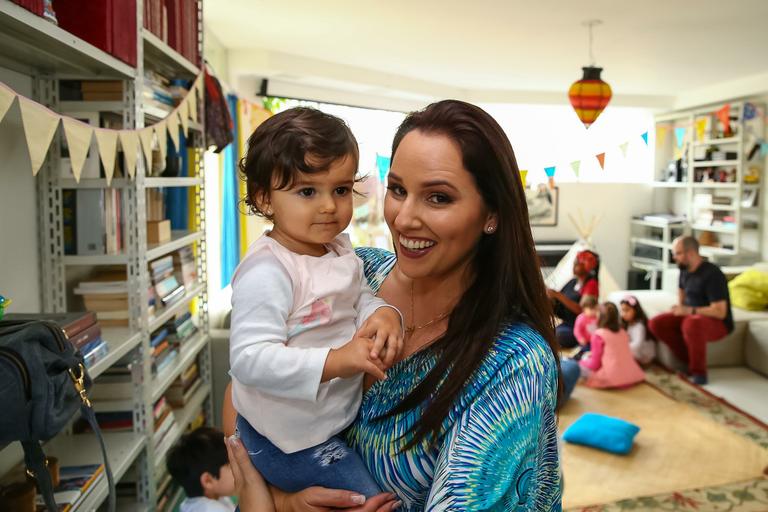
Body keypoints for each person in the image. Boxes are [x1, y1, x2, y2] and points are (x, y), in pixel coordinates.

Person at [225, 99, 563, 511]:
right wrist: (282, 502)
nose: (403, 219)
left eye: (438, 198)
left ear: (491, 214)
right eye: (398, 190)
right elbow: (241, 391)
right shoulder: (353, 268)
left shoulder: (510, 362)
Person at [230, 108, 404, 498]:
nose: (329, 205)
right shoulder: (268, 271)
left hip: (322, 424)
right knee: (368, 500)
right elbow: (249, 359)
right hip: (285, 438)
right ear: (265, 198)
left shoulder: (337, 249)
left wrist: (383, 312)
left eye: (340, 190)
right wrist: (338, 360)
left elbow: (356, 297)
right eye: (308, 191)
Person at [648, 236, 733, 385]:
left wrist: (689, 311)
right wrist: (679, 307)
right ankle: (688, 361)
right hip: (690, 315)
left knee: (692, 324)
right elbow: (681, 290)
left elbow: (720, 312)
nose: (674, 257)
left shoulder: (713, 274)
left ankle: (699, 373)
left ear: (691, 253)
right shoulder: (684, 269)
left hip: (717, 322)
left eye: (678, 253)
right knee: (656, 323)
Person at [167, 427, 241, 512]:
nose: (239, 469)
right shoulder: (213, 510)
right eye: (231, 466)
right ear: (208, 481)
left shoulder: (199, 502)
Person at [578, 302, 645, 389]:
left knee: (581, 361)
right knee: (588, 356)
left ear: (600, 316)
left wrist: (580, 363)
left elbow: (595, 364)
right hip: (630, 375)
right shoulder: (623, 332)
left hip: (612, 377)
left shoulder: (598, 335)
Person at [548, 250, 600, 348]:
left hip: (581, 328)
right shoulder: (573, 281)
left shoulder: (591, 284)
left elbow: (582, 309)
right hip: (567, 323)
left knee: (558, 336)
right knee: (547, 334)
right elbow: (556, 299)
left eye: (577, 264)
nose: (574, 265)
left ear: (587, 266)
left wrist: (558, 295)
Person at [620, 295, 656, 365]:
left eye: (627, 310)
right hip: (635, 352)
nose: (623, 314)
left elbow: (637, 345)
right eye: (622, 310)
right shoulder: (629, 324)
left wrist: (622, 347)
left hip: (643, 356)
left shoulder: (639, 326)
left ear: (635, 310)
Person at [572, 295, 598, 360]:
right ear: (584, 309)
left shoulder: (598, 318)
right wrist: (580, 338)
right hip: (586, 342)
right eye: (591, 309)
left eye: (595, 309)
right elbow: (577, 330)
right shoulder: (581, 318)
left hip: (596, 342)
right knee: (584, 349)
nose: (594, 311)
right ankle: (579, 357)